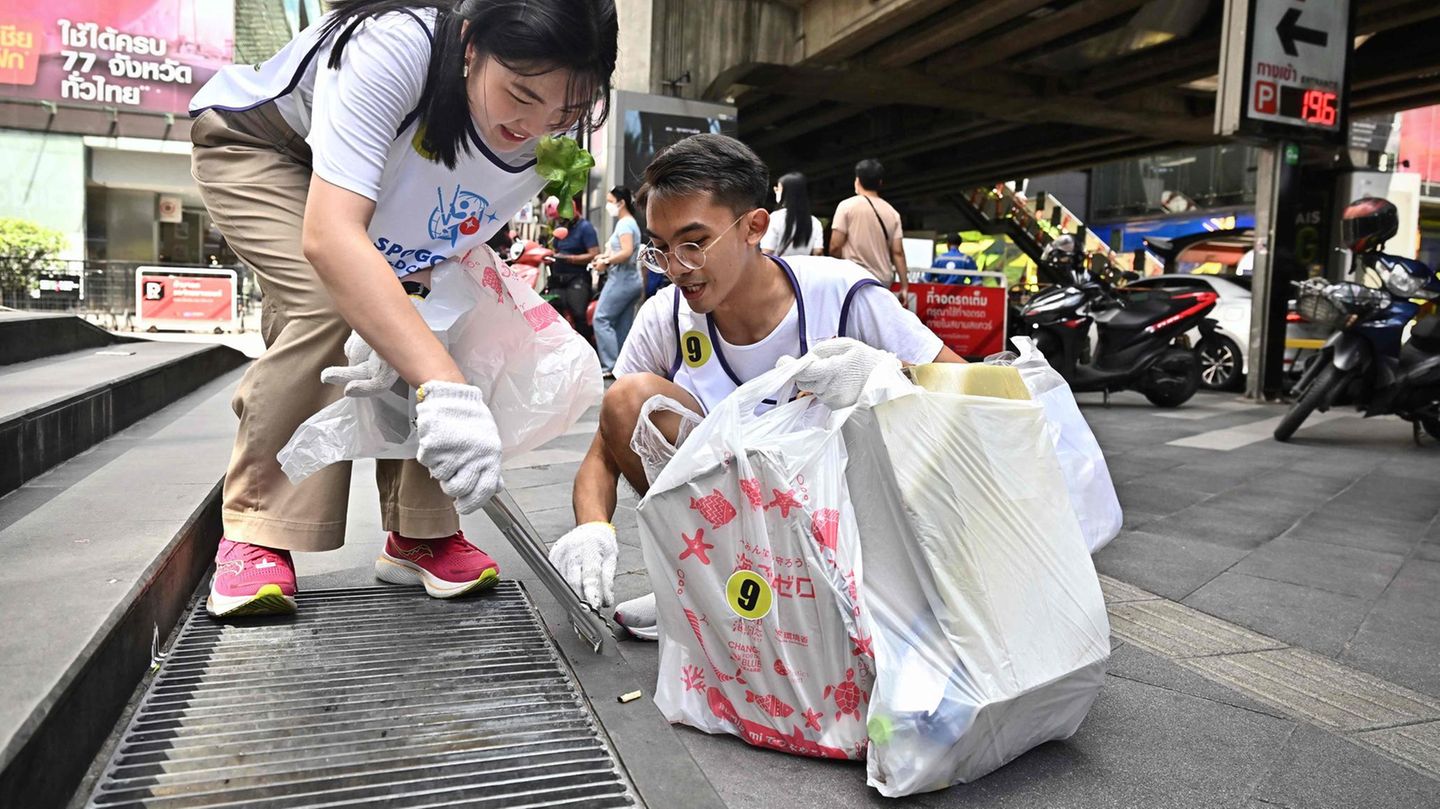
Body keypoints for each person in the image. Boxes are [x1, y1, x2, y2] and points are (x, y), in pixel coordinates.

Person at [186, 0, 617, 618]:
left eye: (566, 111)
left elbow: (447, 232)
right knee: (332, 303)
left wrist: (425, 330)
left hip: (392, 190)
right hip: (269, 148)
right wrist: (446, 388)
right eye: (520, 94)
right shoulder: (396, 45)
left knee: (435, 314)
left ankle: (420, 529)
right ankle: (259, 525)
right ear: (470, 45)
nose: (534, 126)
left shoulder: (548, 133)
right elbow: (333, 236)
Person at [546, 134, 963, 636]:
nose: (676, 268)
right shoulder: (667, 316)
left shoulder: (840, 294)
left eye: (694, 244)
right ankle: (703, 584)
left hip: (839, 524)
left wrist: (880, 373)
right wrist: (592, 528)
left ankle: (856, 594)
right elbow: (603, 451)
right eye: (661, 248)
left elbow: (966, 388)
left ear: (754, 226)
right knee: (627, 399)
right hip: (726, 523)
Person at [830, 158, 907, 301]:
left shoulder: (846, 206)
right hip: (882, 282)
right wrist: (904, 286)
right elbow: (898, 252)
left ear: (857, 180)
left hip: (853, 278)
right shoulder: (892, 213)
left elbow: (835, 246)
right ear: (880, 183)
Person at [590, 186, 644, 377]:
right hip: (631, 280)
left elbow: (626, 252)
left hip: (622, 280)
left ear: (621, 203)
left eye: (610, 201)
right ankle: (622, 366)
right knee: (622, 324)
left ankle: (610, 365)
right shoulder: (629, 223)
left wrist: (606, 262)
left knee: (601, 318)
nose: (608, 205)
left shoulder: (625, 225)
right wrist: (604, 257)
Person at [549, 199, 601, 340]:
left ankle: (585, 344)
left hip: (577, 278)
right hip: (558, 278)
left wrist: (570, 259)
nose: (560, 221)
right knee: (552, 311)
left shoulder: (585, 228)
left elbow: (594, 254)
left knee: (578, 313)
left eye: (562, 218)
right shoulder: (560, 229)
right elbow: (555, 250)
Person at [761, 172, 823, 258]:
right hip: (804, 266)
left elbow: (767, 252)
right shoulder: (814, 222)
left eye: (778, 189)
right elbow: (818, 252)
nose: (775, 191)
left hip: (780, 265)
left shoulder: (775, 218)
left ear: (787, 193)